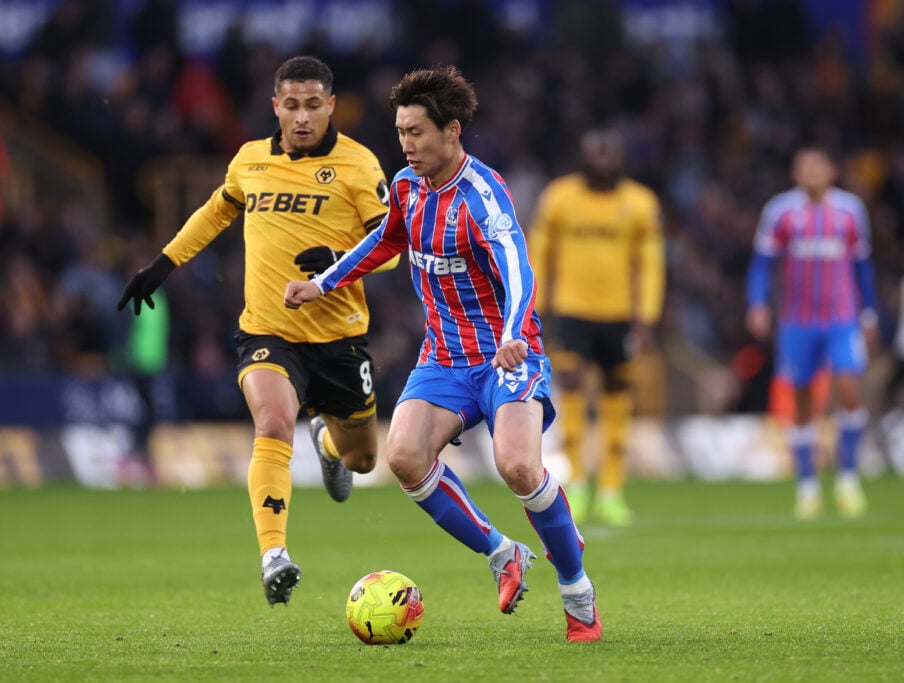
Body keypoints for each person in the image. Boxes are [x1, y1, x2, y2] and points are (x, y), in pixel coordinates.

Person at [285, 65, 602, 642]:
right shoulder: (407, 187)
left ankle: (577, 590)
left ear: (451, 131)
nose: (406, 145)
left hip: (508, 354)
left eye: (416, 133)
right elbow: (385, 239)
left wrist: (512, 333)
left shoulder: (484, 194)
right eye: (400, 132)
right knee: (404, 455)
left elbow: (518, 268)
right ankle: (502, 552)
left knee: (519, 467)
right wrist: (323, 283)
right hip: (445, 358)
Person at [117, 56, 397, 607]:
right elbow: (214, 213)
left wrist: (340, 261)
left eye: (312, 105)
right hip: (268, 331)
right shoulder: (250, 160)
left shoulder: (359, 165)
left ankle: (328, 444)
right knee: (271, 423)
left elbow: (392, 249)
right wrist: (163, 264)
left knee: (363, 459)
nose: (301, 117)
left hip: (339, 337)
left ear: (331, 106)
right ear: (275, 106)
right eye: (291, 105)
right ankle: (274, 555)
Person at [527, 129, 665, 527]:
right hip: (571, 311)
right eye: (595, 154)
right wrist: (535, 309)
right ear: (582, 157)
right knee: (571, 390)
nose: (603, 161)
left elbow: (651, 263)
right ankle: (577, 485)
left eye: (609, 154)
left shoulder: (640, 202)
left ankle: (611, 492)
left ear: (620, 159)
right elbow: (539, 254)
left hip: (620, 315)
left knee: (617, 397)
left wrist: (647, 316)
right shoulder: (559, 197)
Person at [746, 146, 878, 519]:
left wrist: (869, 313)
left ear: (832, 171)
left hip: (842, 318)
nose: (811, 172)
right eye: (803, 166)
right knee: (802, 401)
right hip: (797, 321)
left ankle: (848, 482)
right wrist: (757, 303)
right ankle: (807, 488)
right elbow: (761, 264)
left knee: (849, 388)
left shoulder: (850, 211)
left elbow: (863, 265)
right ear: (795, 173)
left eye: (817, 166)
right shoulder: (780, 211)